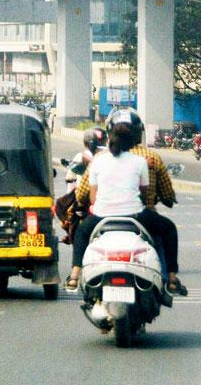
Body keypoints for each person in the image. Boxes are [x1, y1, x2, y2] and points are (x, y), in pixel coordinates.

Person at [65, 109, 187, 296]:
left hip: (101, 216)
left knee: (81, 232)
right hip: (136, 215)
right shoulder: (144, 160)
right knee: (168, 229)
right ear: (136, 136)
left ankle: (74, 274)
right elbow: (144, 196)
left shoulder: (98, 159)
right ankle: (170, 278)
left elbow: (88, 196)